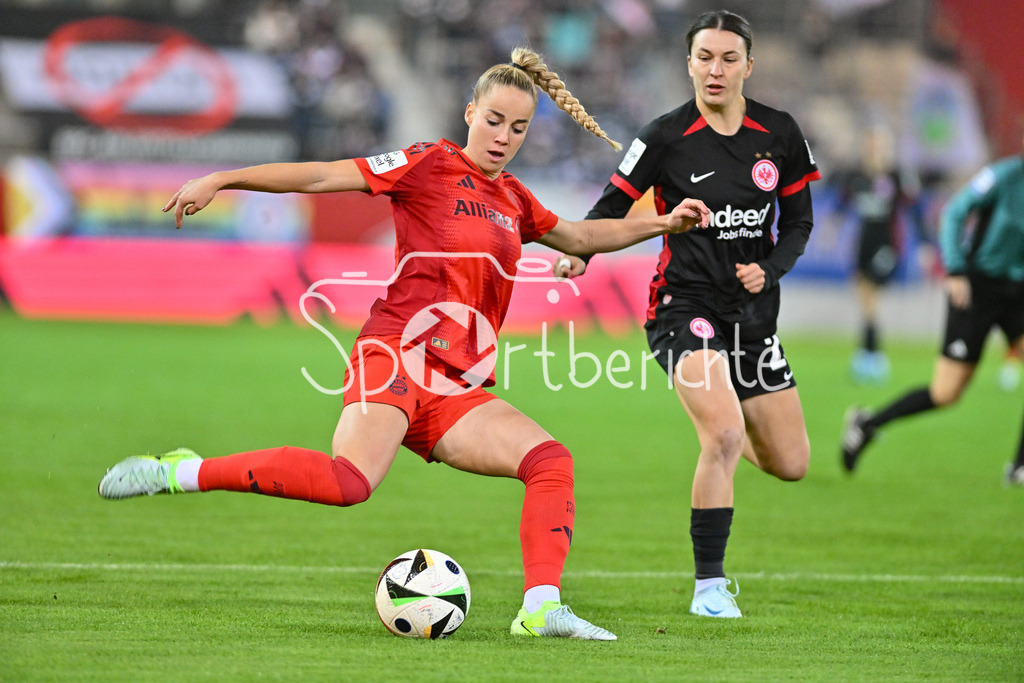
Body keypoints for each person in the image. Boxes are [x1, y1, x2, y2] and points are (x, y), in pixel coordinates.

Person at [97, 46, 711, 640]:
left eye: (518, 127)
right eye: (494, 120)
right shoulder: (426, 164)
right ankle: (182, 471)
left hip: (456, 384)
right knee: (349, 483)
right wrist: (224, 178)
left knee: (550, 461)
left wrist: (663, 221)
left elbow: (578, 236)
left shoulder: (515, 199)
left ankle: (541, 609)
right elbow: (319, 177)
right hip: (394, 353)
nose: (503, 136)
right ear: (470, 113)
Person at [556, 11, 820, 617]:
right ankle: (709, 587)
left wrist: (771, 268)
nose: (716, 69)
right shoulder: (663, 137)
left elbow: (800, 220)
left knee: (791, 463)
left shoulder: (779, 133)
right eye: (705, 57)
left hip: (752, 316)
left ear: (749, 66)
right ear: (689, 63)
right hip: (684, 307)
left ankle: (720, 420)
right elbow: (607, 209)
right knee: (725, 434)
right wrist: (581, 257)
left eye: (729, 58)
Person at [841, 130, 1024, 485]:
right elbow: (955, 211)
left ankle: (1018, 468)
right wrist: (954, 269)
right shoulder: (1005, 176)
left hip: (1019, 292)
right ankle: (867, 424)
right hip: (976, 288)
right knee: (946, 393)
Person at [835, 123, 927, 384]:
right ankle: (868, 353)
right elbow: (841, 204)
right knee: (864, 297)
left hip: (888, 245)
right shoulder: (856, 175)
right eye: (871, 143)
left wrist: (924, 245)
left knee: (871, 296)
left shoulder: (897, 175)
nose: (875, 149)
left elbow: (915, 209)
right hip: (863, 243)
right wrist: (832, 227)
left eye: (880, 144)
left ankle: (873, 356)